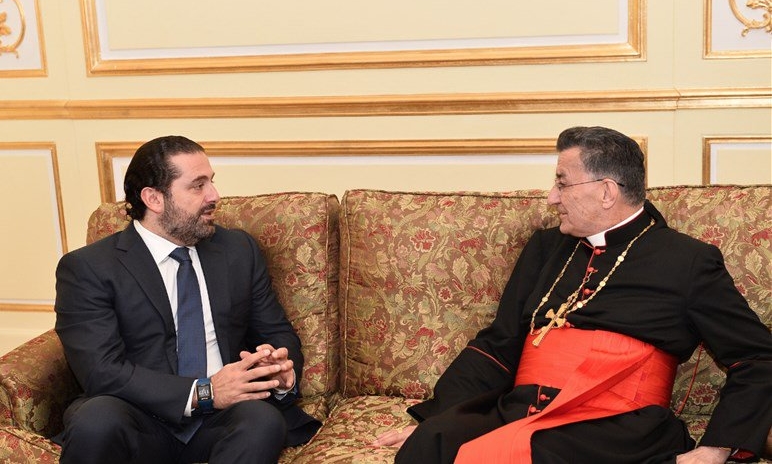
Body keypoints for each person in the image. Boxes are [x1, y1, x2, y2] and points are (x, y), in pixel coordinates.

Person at [373, 126, 772, 463]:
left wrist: (716, 448)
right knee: (434, 442)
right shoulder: (547, 248)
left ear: (606, 191)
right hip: (524, 409)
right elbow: (500, 343)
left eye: (562, 183)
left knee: (521, 453)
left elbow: (756, 356)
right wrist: (436, 417)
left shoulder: (687, 260)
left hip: (615, 425)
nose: (551, 197)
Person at [53, 135, 320, 464]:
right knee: (96, 421)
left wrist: (278, 371)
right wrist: (206, 392)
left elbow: (276, 332)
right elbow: (102, 371)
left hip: (223, 418)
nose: (214, 195)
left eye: (212, 182)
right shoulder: (89, 268)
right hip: (138, 414)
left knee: (262, 422)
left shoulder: (238, 250)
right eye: (198, 185)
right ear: (154, 198)